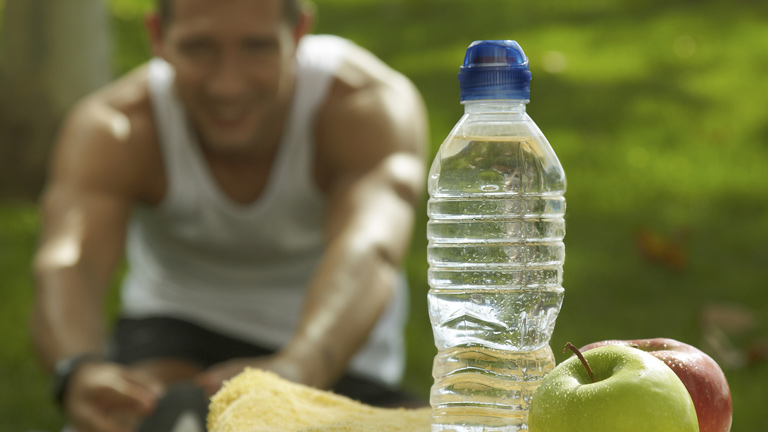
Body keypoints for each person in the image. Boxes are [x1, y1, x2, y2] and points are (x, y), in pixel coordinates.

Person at [31, 0, 428, 430]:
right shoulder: (117, 126)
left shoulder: (365, 106)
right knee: (162, 417)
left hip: (330, 350)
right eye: (199, 48)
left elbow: (369, 251)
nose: (227, 86)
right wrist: (78, 368)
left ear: (298, 33)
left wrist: (298, 366)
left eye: (256, 47)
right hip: (174, 331)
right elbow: (71, 261)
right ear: (158, 36)